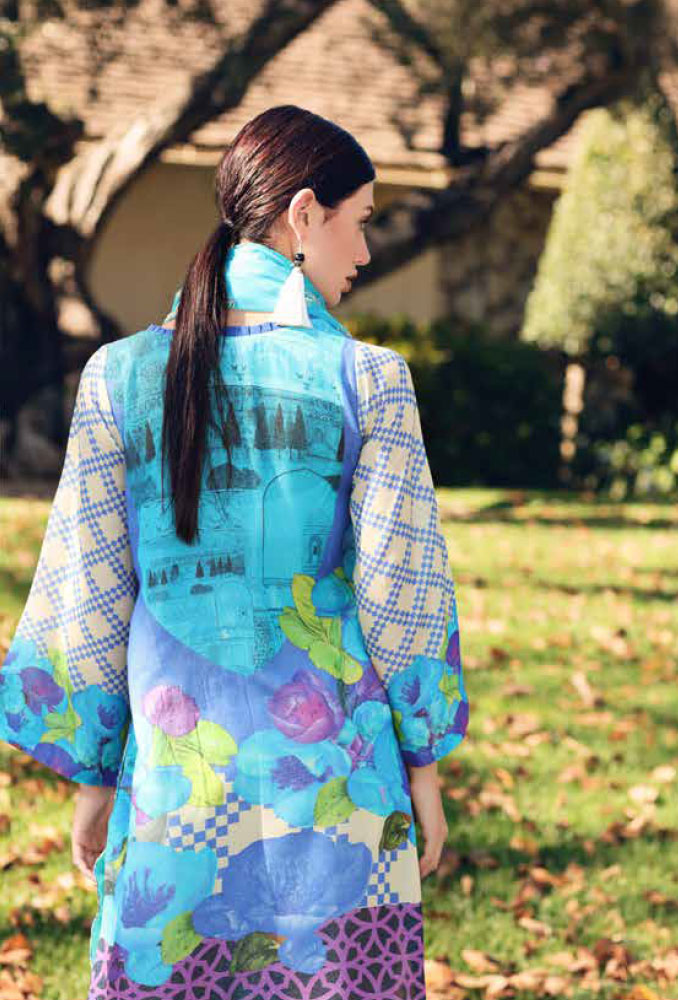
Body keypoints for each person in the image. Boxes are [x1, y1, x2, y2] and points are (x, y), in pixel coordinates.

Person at [0, 105, 469, 998]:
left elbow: (90, 588)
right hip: (335, 793)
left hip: (174, 788)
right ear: (304, 214)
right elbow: (402, 594)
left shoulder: (119, 376)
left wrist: (96, 776)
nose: (365, 252)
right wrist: (426, 764)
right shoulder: (368, 380)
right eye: (360, 222)